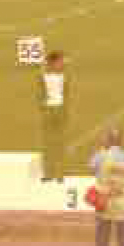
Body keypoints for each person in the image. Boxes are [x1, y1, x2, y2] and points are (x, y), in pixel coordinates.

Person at [38, 50, 70, 181]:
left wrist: (65, 111)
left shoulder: (64, 76)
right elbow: (39, 94)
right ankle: (48, 173)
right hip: (49, 111)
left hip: (60, 110)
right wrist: (44, 108)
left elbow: (66, 94)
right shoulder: (43, 77)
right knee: (48, 144)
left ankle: (59, 174)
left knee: (59, 143)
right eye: (59, 61)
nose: (62, 64)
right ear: (53, 63)